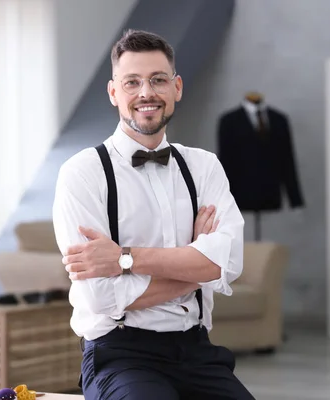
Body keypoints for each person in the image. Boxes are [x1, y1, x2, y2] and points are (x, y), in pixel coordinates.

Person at [52, 29, 254, 399]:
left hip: (197, 351)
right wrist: (195, 266)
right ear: (114, 93)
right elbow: (101, 298)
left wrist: (123, 259)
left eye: (158, 80)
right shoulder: (82, 173)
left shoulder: (204, 167)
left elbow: (228, 264)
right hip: (120, 356)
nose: (146, 93)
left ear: (176, 87)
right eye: (132, 82)